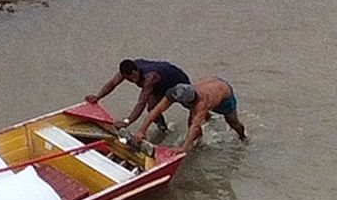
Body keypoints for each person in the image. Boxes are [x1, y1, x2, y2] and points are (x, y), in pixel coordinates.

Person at [86, 56, 250, 145]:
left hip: (197, 87)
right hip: (177, 87)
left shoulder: (150, 78)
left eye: (134, 77)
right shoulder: (126, 70)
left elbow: (141, 101)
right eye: (128, 79)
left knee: (223, 121)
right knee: (153, 108)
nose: (132, 80)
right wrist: (98, 97)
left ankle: (243, 139)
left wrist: (127, 122)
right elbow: (113, 84)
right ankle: (164, 130)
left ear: (136, 71)